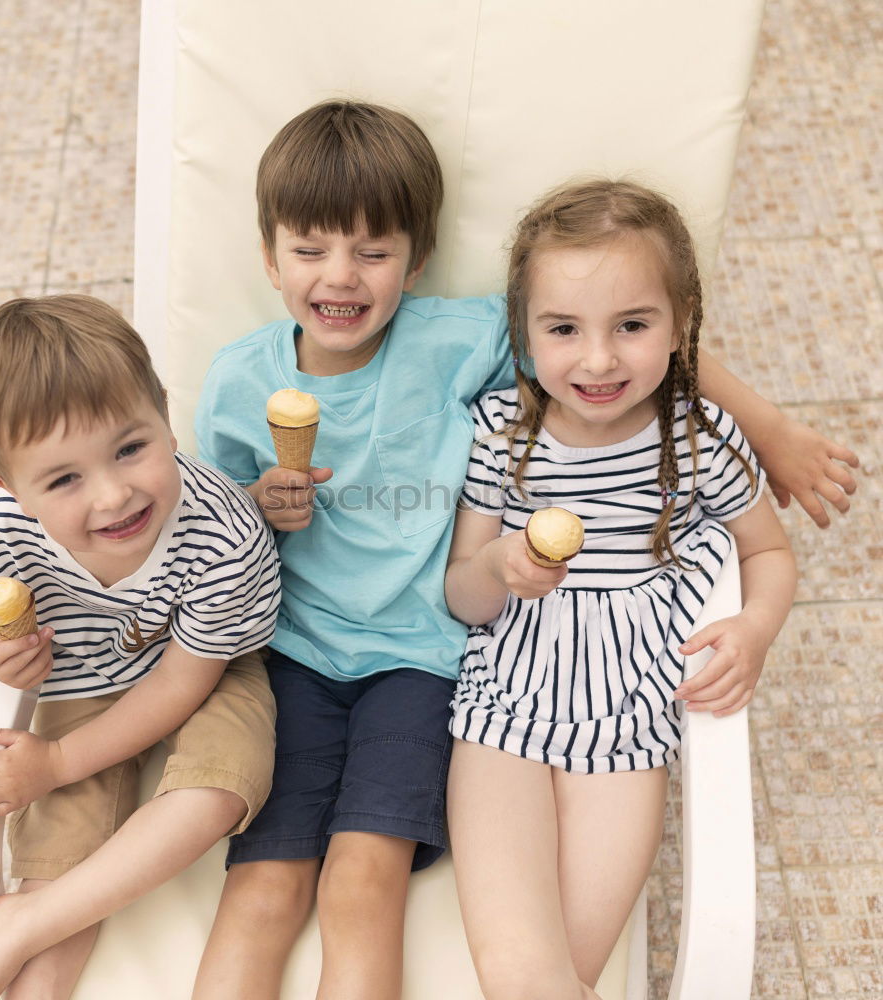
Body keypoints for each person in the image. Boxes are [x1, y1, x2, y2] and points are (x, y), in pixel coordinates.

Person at [193, 102, 852, 1000]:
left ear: (415, 260)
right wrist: (260, 505)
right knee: (318, 905)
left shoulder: (537, 371)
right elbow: (216, 531)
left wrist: (765, 437)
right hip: (402, 678)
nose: (340, 276)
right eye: (309, 249)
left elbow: (629, 340)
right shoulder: (467, 419)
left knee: (480, 939)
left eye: (373, 251)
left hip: (520, 687)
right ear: (269, 256)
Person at [443, 180, 798, 1000]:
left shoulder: (701, 439)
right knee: (521, 971)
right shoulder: (501, 434)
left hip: (629, 711)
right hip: (503, 707)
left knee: (567, 971)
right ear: (524, 333)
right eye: (563, 329)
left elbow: (769, 552)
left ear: (681, 327)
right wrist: (501, 566)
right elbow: (462, 597)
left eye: (631, 326)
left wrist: (755, 628)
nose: (598, 360)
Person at [0, 295, 281, 1000]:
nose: (114, 495)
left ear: (162, 409)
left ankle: (20, 925)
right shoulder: (1, 520)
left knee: (222, 785)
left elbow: (184, 682)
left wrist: (59, 761)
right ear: (10, 488)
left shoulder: (225, 531)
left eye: (131, 448)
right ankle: (32, 947)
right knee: (60, 845)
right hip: (83, 676)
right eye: (65, 479)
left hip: (209, 669)